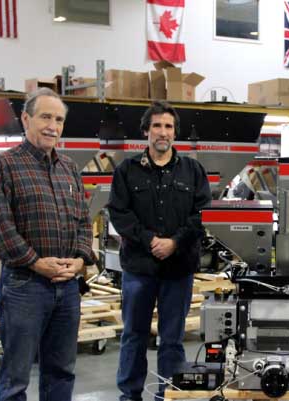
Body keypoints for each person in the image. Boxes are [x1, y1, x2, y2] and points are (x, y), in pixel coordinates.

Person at [0, 88, 93, 401]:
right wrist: (35, 262)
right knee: (16, 377)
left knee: (61, 371)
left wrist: (80, 259)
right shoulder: (3, 165)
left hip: (67, 286)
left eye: (58, 120)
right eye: (45, 117)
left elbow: (84, 221)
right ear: (25, 119)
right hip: (24, 286)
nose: (52, 126)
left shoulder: (69, 168)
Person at [108, 101, 212, 400]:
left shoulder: (193, 170)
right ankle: (130, 395)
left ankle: (169, 395)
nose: (163, 132)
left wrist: (175, 242)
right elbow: (119, 213)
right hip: (139, 268)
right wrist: (150, 240)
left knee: (172, 339)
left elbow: (203, 214)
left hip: (178, 269)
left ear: (175, 133)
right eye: (157, 125)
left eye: (168, 126)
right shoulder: (127, 170)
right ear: (146, 131)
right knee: (133, 336)